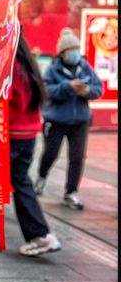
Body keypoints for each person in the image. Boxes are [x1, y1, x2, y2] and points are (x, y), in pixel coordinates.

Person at [0, 34, 61, 256]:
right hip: (27, 134)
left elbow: (5, 100)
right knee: (19, 180)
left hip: (12, 134)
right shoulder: (29, 65)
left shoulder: (10, 66)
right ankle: (38, 234)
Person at [34, 28, 102, 210]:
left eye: (76, 49)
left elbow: (98, 88)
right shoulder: (52, 70)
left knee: (77, 157)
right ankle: (41, 178)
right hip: (56, 121)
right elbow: (46, 92)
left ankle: (71, 192)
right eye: (70, 50)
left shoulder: (85, 67)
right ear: (62, 53)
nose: (74, 53)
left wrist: (88, 91)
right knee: (51, 153)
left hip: (80, 120)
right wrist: (68, 87)